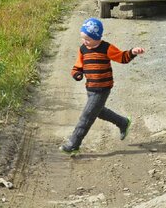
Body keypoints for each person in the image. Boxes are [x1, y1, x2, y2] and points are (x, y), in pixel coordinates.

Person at [61, 18, 145, 154]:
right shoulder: (83, 49)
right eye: (83, 38)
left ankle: (73, 144)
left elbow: (122, 57)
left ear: (97, 37)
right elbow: (78, 66)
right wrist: (77, 73)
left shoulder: (106, 48)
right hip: (90, 88)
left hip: (103, 88)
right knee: (99, 111)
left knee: (87, 116)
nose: (84, 42)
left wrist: (132, 52)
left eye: (87, 39)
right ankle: (123, 122)